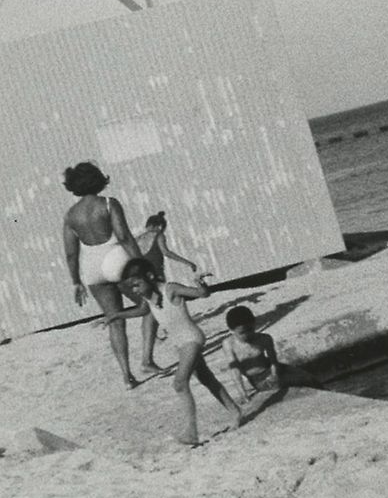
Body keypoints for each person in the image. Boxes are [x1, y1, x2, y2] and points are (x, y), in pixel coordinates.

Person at [113, 260, 261, 445]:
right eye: (132, 287)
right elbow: (142, 311)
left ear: (150, 276)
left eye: (137, 284)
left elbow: (202, 294)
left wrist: (200, 284)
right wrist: (115, 316)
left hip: (192, 339)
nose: (135, 290)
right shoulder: (148, 298)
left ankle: (191, 432)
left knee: (180, 383)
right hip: (181, 344)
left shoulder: (171, 289)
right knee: (207, 379)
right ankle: (235, 411)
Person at [57, 160, 157, 388]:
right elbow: (123, 236)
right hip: (116, 258)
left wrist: (76, 282)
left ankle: (126, 376)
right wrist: (142, 263)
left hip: (91, 267)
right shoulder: (109, 204)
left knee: (115, 320)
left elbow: (71, 253)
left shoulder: (71, 215)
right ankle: (147, 359)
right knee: (150, 305)